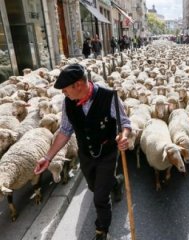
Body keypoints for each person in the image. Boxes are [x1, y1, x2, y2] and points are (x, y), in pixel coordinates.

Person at [34, 63, 131, 240]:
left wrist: (124, 136)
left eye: (65, 90)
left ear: (78, 85)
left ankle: (101, 230)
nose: (64, 93)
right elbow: (64, 131)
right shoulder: (68, 103)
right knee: (95, 187)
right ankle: (116, 183)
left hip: (107, 153)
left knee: (100, 198)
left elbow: (125, 123)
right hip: (85, 154)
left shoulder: (109, 97)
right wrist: (48, 157)